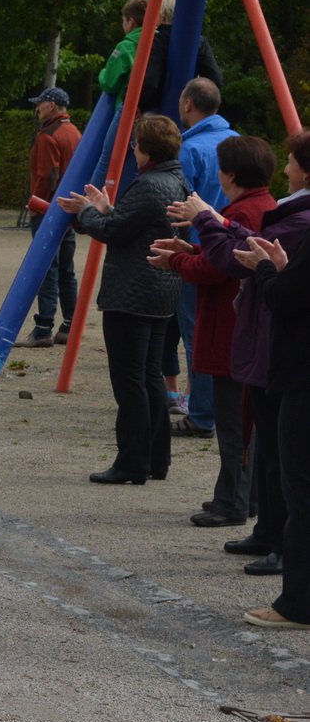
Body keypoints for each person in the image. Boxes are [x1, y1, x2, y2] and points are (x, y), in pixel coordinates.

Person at [171, 132, 310, 574]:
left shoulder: (288, 215)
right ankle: (266, 530)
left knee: (263, 444)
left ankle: (272, 537)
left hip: (267, 344)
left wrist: (206, 228)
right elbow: (244, 244)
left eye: (291, 162)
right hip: (257, 341)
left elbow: (232, 261)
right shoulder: (275, 209)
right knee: (265, 446)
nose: (286, 169)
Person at [149, 136, 276, 528]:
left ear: (231, 174)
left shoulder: (244, 210)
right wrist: (189, 252)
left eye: (221, 169)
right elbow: (221, 254)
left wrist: (179, 262)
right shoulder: (260, 206)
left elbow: (220, 266)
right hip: (245, 331)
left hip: (233, 331)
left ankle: (234, 502)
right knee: (245, 421)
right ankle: (241, 495)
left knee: (234, 422)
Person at [58, 113, 189, 486]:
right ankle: (156, 458)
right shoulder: (176, 181)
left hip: (133, 293)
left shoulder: (148, 185)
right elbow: (134, 224)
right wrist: (105, 209)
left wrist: (86, 212)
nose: (133, 149)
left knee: (129, 379)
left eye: (135, 143)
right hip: (160, 290)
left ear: (144, 149)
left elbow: (114, 231)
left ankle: (132, 460)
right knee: (150, 376)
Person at [234, 232, 309, 629]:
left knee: (301, 491)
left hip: (302, 378)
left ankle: (297, 604)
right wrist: (283, 269)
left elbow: (287, 299)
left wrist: (264, 269)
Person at [165, 77, 239, 438]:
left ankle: (203, 413)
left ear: (187, 105)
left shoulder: (188, 149)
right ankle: (221, 409)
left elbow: (178, 207)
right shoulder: (236, 141)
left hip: (198, 250)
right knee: (226, 331)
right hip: (236, 248)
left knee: (195, 333)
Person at [16, 87, 83, 347]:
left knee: (46, 269)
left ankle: (43, 328)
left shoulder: (47, 135)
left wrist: (37, 203)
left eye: (40, 103)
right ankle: (70, 326)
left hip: (48, 211)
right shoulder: (75, 132)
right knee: (66, 270)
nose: (37, 108)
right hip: (68, 209)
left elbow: (48, 175)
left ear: (52, 106)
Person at [136, 0, 224, 115]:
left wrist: (139, 105)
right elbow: (216, 80)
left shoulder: (157, 41)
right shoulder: (199, 42)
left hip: (157, 109)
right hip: (188, 110)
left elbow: (149, 82)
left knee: (121, 117)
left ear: (162, 15)